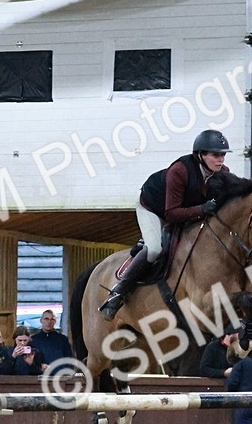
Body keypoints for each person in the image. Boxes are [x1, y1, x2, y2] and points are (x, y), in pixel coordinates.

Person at [99, 129, 232, 321]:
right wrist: (202, 209)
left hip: (185, 211)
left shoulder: (223, 174)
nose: (221, 160)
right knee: (154, 249)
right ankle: (117, 293)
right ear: (200, 155)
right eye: (215, 155)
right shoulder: (180, 170)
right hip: (154, 209)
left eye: (223, 155)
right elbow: (171, 213)